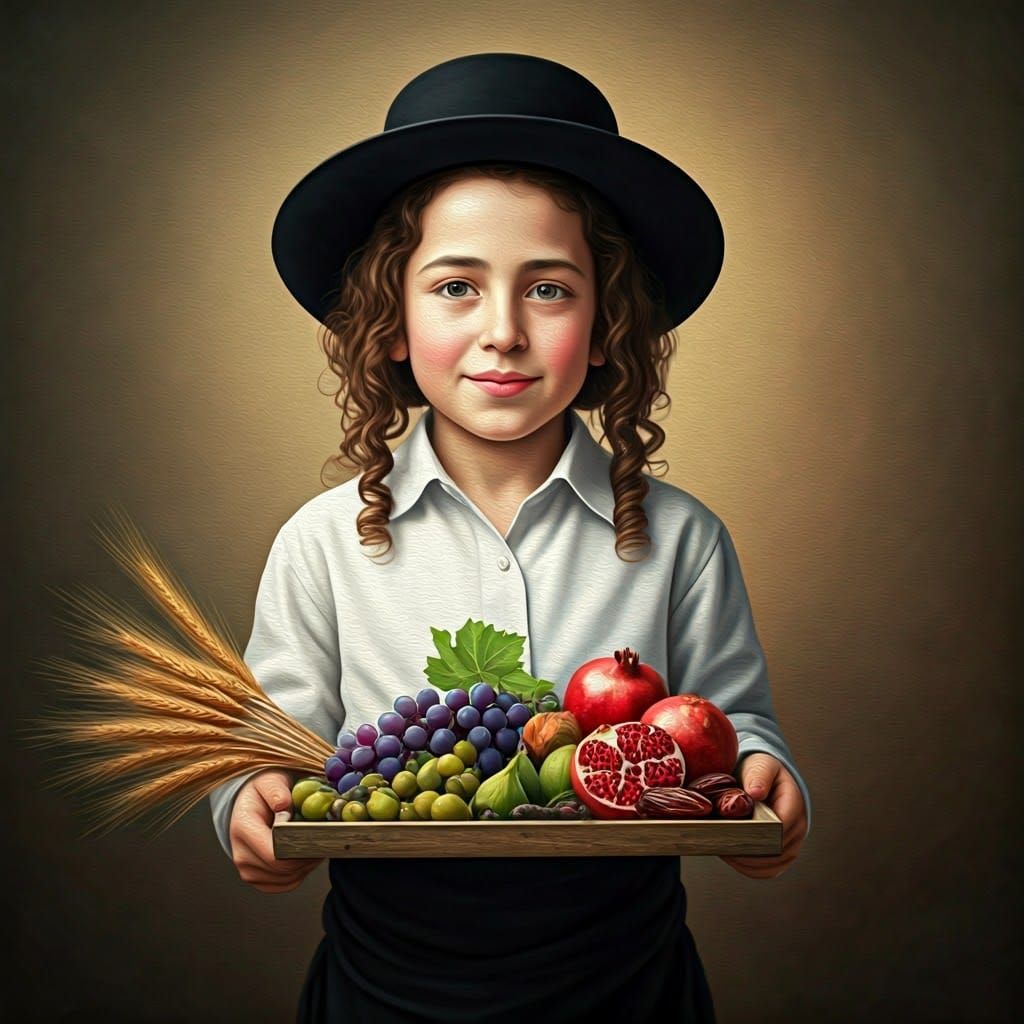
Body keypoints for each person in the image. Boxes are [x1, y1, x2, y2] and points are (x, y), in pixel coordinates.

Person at [210, 53, 810, 1023]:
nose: (503, 332)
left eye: (549, 290)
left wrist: (767, 777)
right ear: (391, 322)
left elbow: (732, 728)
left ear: (607, 324)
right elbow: (268, 743)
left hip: (628, 987)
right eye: (455, 287)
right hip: (385, 987)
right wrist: (246, 797)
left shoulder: (684, 539)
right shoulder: (320, 544)